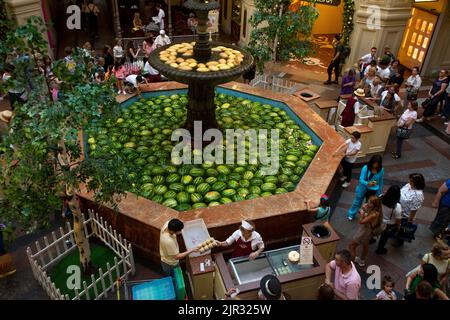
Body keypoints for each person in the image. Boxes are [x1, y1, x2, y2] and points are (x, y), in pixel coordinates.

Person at [348, 195, 383, 267]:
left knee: (351, 246)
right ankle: (362, 260)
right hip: (367, 230)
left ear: (374, 205)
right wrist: (363, 209)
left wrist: (362, 213)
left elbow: (361, 221)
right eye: (368, 201)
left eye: (370, 202)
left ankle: (351, 264)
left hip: (365, 231)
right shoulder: (373, 209)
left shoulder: (374, 214)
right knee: (365, 245)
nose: (367, 203)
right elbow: (360, 211)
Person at [347, 155, 384, 221]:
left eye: (377, 164)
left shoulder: (381, 170)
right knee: (357, 202)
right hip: (363, 188)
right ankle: (351, 214)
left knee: (369, 204)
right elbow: (361, 179)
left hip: (373, 190)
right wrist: (367, 183)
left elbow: (381, 181)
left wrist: (379, 192)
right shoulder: (365, 168)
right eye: (374, 164)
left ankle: (365, 216)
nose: (375, 166)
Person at [376, 185, 402, 255]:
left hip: (378, 219)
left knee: (374, 231)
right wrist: (398, 227)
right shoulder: (397, 207)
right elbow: (398, 220)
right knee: (384, 238)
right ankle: (380, 249)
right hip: (388, 225)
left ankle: (371, 239)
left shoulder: (381, 197)